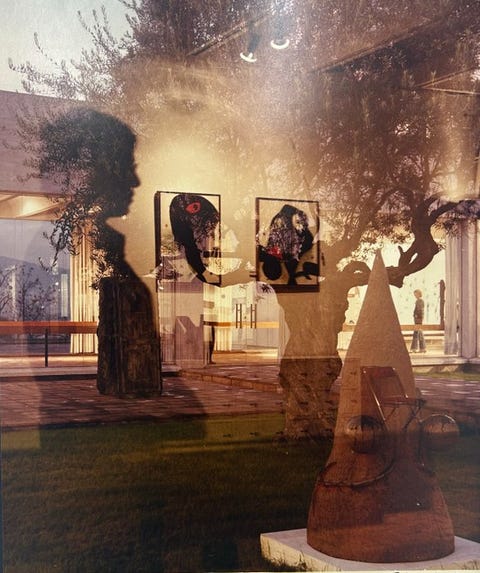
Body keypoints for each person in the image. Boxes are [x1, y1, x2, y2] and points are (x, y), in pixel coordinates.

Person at [410, 289, 426, 353]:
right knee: (418, 332)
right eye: (414, 294)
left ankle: (417, 348)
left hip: (418, 319)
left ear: (419, 294)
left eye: (416, 294)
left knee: (417, 332)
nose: (415, 296)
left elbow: (420, 310)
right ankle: (420, 348)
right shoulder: (419, 301)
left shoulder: (420, 301)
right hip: (418, 318)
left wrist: (416, 316)